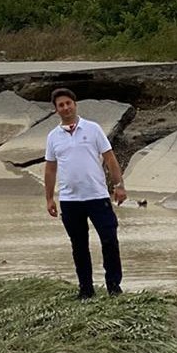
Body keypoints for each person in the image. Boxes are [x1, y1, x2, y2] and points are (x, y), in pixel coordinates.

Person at [43, 88, 127, 299]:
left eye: (68, 103)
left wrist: (119, 185)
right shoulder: (53, 137)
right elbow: (50, 168)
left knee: (109, 240)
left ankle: (113, 286)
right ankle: (86, 289)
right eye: (61, 105)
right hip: (71, 200)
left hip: (97, 196)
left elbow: (109, 159)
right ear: (56, 110)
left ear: (75, 104)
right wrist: (49, 198)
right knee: (79, 246)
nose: (65, 108)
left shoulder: (93, 129)